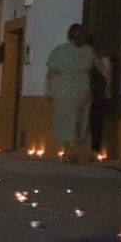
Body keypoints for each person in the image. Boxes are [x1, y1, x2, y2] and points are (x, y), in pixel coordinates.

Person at [45, 24, 106, 162]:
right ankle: (76, 149)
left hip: (63, 90)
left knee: (65, 120)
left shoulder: (59, 51)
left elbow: (51, 73)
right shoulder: (89, 51)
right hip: (83, 90)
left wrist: (49, 90)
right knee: (81, 120)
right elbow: (102, 66)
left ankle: (67, 151)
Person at [86, 36, 116, 158]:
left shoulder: (100, 61)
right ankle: (93, 150)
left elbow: (106, 77)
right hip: (96, 94)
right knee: (95, 123)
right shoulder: (101, 60)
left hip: (97, 95)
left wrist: (107, 93)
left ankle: (95, 150)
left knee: (96, 123)